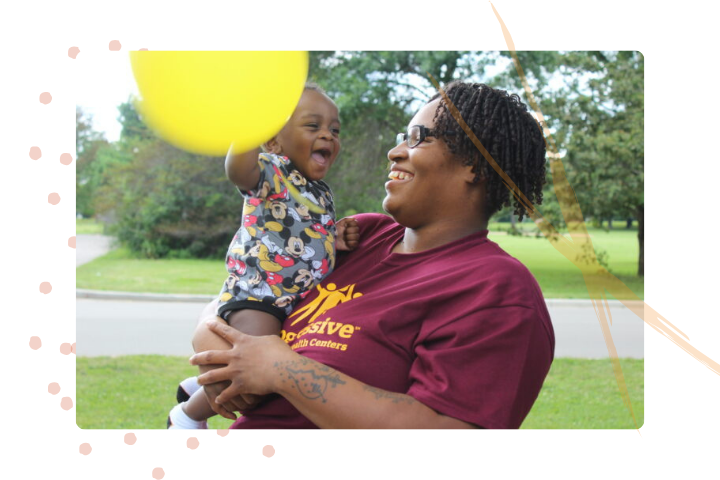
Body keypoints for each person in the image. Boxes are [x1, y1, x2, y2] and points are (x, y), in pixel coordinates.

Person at [189, 81, 555, 430]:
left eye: (417, 139)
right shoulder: (359, 237)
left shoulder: (497, 290)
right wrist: (218, 355)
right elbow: (237, 297)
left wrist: (280, 369)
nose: (395, 152)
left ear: (474, 164)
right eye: (402, 138)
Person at [167, 84, 360, 429]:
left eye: (334, 129)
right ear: (273, 142)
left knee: (265, 372)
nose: (328, 136)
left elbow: (306, 235)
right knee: (257, 379)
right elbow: (239, 171)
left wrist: (336, 239)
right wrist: (248, 131)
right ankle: (187, 414)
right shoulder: (273, 170)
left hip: (299, 303)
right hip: (260, 296)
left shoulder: (320, 191)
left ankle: (200, 384)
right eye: (312, 126)